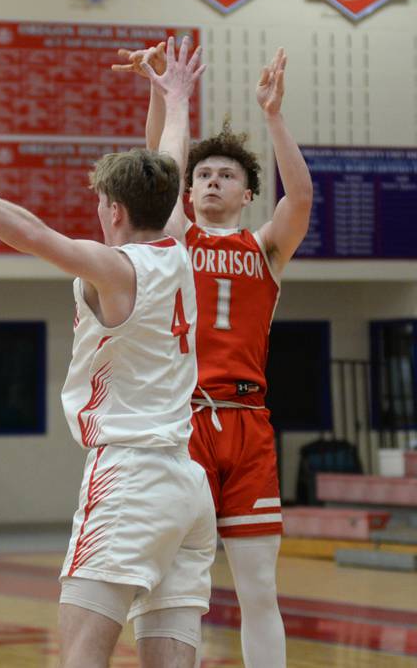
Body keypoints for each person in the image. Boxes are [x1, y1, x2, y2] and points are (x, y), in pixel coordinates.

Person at [0, 47, 216, 668]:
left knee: (80, 658)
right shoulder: (177, 246)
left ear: (113, 212)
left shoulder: (117, 268)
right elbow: (170, 161)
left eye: (99, 205)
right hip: (186, 483)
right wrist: (173, 97)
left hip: (130, 479)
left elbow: (31, 232)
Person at [115, 37, 313, 668]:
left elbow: (302, 200)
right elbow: (156, 165)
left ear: (247, 193)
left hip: (248, 425)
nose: (210, 181)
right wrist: (160, 92)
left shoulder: (265, 250)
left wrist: (274, 117)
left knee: (259, 589)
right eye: (202, 174)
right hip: (185, 423)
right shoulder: (177, 238)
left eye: (226, 175)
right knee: (174, 585)